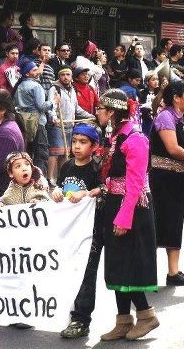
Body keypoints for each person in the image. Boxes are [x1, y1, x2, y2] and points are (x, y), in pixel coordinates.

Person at [96, 88, 159, 341]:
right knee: (116, 264)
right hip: (115, 203)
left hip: (132, 208)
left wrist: (124, 217)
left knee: (128, 264)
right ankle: (123, 320)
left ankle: (146, 315)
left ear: (112, 111)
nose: (98, 112)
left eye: (101, 108)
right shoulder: (116, 136)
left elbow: (134, 184)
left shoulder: (135, 139)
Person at [54, 124, 104, 339]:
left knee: (87, 273)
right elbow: (59, 186)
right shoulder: (66, 166)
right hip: (67, 230)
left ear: (94, 146)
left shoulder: (96, 169)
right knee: (66, 270)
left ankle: (82, 319)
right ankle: (64, 311)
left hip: (90, 231)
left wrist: (86, 193)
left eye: (83, 142)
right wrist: (56, 192)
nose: (76, 146)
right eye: (74, 141)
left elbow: (101, 192)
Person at [150, 81, 184, 286]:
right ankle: (144, 270)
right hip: (163, 179)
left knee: (174, 222)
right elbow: (172, 149)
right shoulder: (166, 117)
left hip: (177, 179)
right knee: (158, 222)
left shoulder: (180, 118)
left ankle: (173, 272)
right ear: (176, 98)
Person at [47, 65, 95, 186]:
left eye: (68, 75)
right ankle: (49, 178)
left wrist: (90, 116)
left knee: (66, 153)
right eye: (63, 75)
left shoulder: (72, 89)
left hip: (69, 125)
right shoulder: (55, 89)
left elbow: (76, 108)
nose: (65, 77)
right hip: (57, 125)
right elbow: (51, 107)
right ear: (59, 76)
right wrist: (54, 118)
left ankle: (61, 177)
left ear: (71, 76)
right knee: (55, 153)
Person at [14, 61, 60, 177]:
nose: (37, 72)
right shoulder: (36, 86)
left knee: (27, 153)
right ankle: (40, 180)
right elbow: (42, 106)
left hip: (23, 122)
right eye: (34, 70)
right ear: (27, 73)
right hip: (37, 122)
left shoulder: (19, 86)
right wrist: (53, 102)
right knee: (41, 153)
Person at [139, 71, 159, 136]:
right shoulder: (142, 93)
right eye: (153, 80)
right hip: (146, 120)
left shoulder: (160, 93)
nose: (156, 81)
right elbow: (140, 106)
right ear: (147, 82)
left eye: (157, 79)